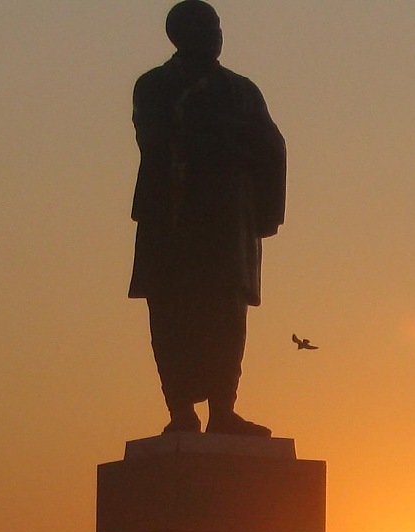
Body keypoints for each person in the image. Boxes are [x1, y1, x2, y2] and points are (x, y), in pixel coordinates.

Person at [129, 0, 286, 436]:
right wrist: (219, 144)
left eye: (218, 27)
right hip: (171, 220)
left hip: (226, 223)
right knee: (171, 315)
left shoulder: (241, 90)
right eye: (207, 28)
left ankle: (223, 410)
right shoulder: (154, 86)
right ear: (180, 35)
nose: (216, 36)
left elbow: (270, 146)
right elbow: (157, 141)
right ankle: (180, 412)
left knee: (226, 317)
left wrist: (264, 214)